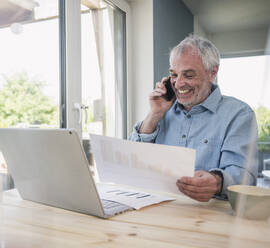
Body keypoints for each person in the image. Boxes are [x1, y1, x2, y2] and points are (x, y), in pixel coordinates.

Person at [129, 34, 258, 202]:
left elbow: (245, 176)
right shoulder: (161, 110)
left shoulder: (239, 115)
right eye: (174, 75)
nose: (178, 84)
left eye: (188, 75)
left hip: (210, 215)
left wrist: (217, 182)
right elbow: (131, 159)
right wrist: (154, 115)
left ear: (212, 73)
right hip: (158, 209)